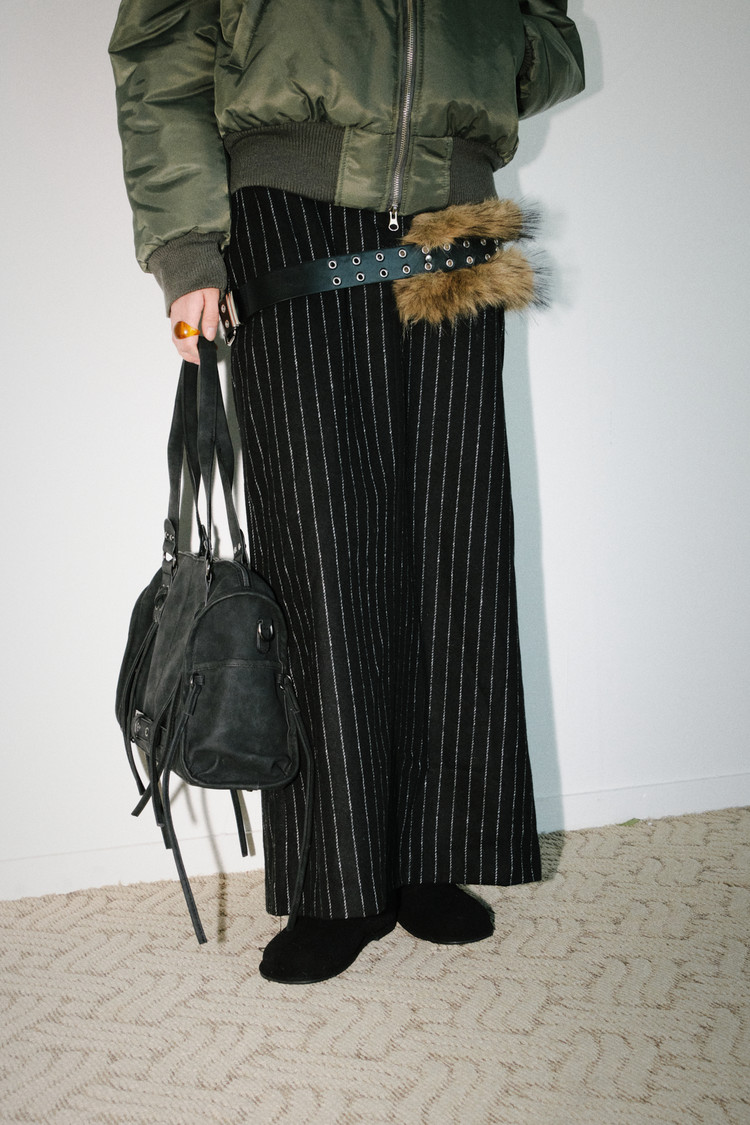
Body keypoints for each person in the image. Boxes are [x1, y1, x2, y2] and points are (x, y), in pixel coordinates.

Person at [110, 0, 584, 984]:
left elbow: (547, 40)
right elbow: (162, 52)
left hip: (454, 209)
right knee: (319, 546)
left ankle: (437, 853)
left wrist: (498, 49)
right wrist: (189, 248)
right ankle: (338, 881)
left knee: (455, 535)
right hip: (288, 199)